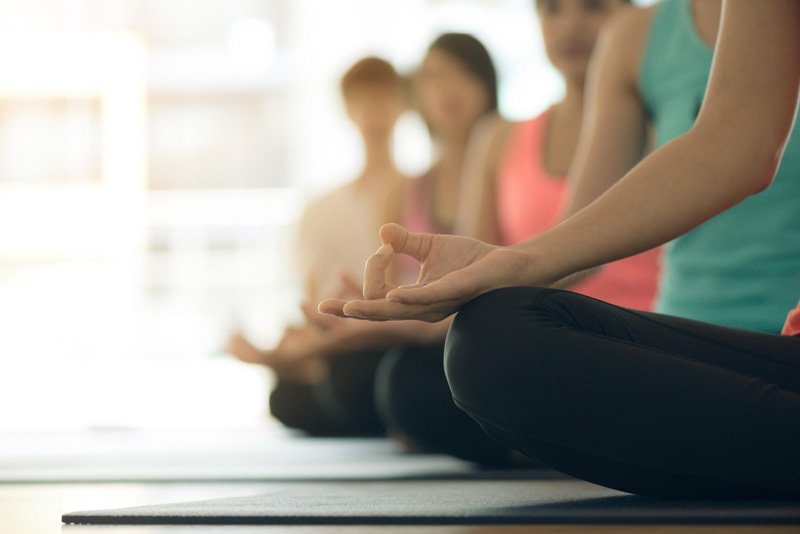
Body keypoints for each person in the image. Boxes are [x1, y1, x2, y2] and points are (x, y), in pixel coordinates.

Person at [321, 0, 800, 499]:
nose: (570, 25)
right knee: (487, 343)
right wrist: (501, 267)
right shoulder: (638, 36)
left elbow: (741, 148)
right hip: (703, 346)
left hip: (769, 339)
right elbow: (728, 144)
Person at [227, 56, 409, 436]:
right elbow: (313, 302)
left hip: (396, 342)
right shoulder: (320, 210)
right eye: (364, 101)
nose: (375, 113)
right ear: (347, 110)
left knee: (349, 382)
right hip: (339, 344)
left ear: (403, 104)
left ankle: (309, 367)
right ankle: (313, 369)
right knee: (286, 400)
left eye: (384, 99)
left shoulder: (419, 191)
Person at [457, 0, 659, 312]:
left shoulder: (667, 129)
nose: (570, 25)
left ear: (633, 16)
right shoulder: (497, 139)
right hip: (539, 331)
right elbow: (470, 278)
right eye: (552, 8)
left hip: (654, 336)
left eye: (593, 6)